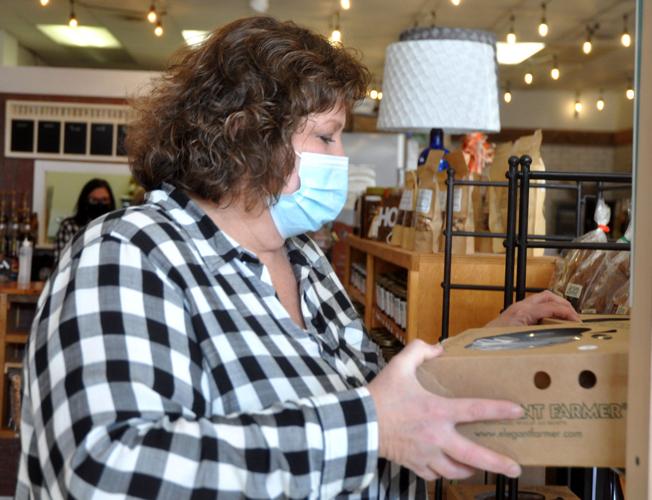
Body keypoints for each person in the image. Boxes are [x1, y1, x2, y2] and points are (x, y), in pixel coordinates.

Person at [17, 17, 579, 499]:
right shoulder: (128, 254)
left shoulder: (304, 260)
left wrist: (480, 351)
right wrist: (366, 432)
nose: (343, 156)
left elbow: (375, 401)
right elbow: (108, 471)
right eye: (329, 137)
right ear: (248, 136)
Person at [53, 178, 116, 261]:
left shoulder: (116, 227)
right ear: (85, 201)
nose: (100, 204)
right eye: (94, 200)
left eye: (104, 200)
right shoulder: (69, 227)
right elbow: (61, 262)